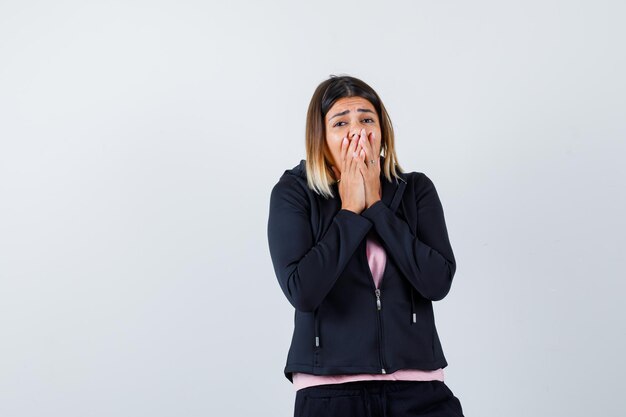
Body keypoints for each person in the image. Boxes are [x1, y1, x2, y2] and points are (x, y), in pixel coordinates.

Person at [267, 75, 465, 417]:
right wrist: (348, 211)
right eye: (341, 122)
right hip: (329, 393)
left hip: (421, 390)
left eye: (367, 119)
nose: (356, 132)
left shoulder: (415, 190)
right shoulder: (294, 192)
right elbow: (303, 291)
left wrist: (377, 208)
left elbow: (437, 282)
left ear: (383, 131)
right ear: (320, 137)